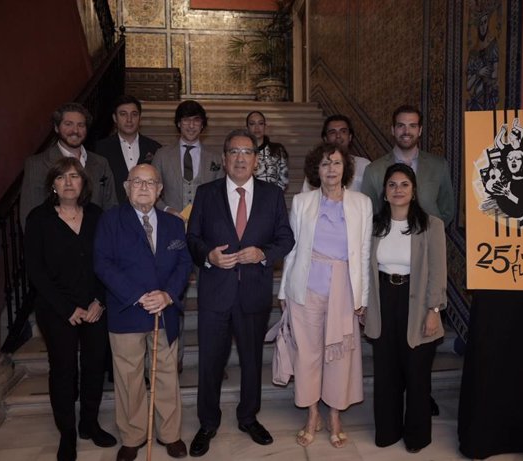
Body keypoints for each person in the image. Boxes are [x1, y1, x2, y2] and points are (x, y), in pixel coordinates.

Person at [186, 129, 294, 457]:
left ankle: (248, 417)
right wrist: (209, 256)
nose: (240, 158)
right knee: (210, 363)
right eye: (234, 152)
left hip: (253, 294)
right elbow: (192, 238)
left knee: (251, 361)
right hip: (215, 295)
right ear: (224, 158)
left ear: (256, 160)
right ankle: (207, 422)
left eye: (247, 152)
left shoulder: (272, 195)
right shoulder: (205, 193)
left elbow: (286, 239)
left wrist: (262, 253)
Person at [94, 164, 192, 461]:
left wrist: (167, 295)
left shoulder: (174, 224)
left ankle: (170, 434)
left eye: (151, 183)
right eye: (138, 182)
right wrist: (138, 296)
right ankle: (133, 435)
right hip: (127, 311)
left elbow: (184, 263)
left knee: (165, 375)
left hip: (164, 311)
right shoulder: (110, 220)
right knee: (129, 377)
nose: (145, 187)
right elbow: (102, 263)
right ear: (126, 187)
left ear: (160, 189)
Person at [278, 142, 372, 448]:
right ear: (315, 171)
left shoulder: (362, 203)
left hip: (344, 289)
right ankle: (312, 414)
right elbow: (292, 250)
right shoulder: (303, 201)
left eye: (335, 163)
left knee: (340, 355)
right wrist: (283, 290)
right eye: (324, 164)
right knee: (308, 354)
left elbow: (365, 252)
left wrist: (364, 298)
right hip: (306, 287)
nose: (331, 169)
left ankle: (334, 416)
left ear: (345, 167)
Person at [24, 157, 116, 461]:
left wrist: (98, 301)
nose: (68, 182)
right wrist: (67, 308)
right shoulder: (38, 219)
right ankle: (67, 433)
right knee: (63, 371)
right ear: (53, 183)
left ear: (83, 183)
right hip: (56, 310)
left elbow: (109, 263)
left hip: (94, 308)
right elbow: (35, 271)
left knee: (94, 367)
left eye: (74, 176)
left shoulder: (97, 216)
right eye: (62, 177)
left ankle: (89, 423)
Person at [364, 163, 447, 453]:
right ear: (384, 193)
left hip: (418, 302)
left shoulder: (431, 225)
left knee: (416, 374)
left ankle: (417, 437)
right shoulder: (373, 225)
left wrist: (434, 310)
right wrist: (362, 303)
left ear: (414, 191)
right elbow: (364, 268)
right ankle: (387, 432)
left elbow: (438, 271)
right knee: (386, 373)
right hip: (383, 300)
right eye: (392, 185)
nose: (397, 190)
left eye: (404, 185)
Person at [20, 102, 117, 227]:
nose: (75, 130)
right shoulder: (36, 165)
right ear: (56, 127)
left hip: (97, 241)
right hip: (55, 243)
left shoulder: (101, 163)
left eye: (81, 125)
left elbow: (111, 208)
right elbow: (29, 217)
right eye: (68, 124)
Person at [361, 105, 455, 225]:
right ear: (393, 130)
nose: (406, 131)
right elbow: (369, 213)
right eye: (401, 126)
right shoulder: (373, 170)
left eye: (412, 126)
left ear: (420, 130)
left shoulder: (439, 166)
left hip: (428, 239)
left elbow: (447, 210)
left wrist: (432, 233)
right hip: (389, 239)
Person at [151, 100, 224, 220]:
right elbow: (151, 190)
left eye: (196, 120)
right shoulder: (162, 155)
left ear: (202, 125)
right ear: (179, 123)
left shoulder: (216, 157)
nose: (191, 125)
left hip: (206, 224)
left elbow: (221, 194)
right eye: (186, 120)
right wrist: (166, 209)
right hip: (169, 222)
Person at [95, 95, 162, 202]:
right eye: (123, 114)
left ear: (140, 117)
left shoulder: (155, 148)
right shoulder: (100, 148)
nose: (129, 120)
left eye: (134, 114)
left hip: (147, 211)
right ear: (114, 118)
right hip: (113, 213)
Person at [302, 114, 371, 192]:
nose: (338, 136)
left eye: (343, 131)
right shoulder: (317, 166)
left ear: (350, 137)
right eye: (332, 132)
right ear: (325, 138)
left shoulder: (364, 165)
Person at [245, 110, 289, 190]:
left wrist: (272, 196)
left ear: (265, 126)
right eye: (252, 124)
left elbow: (284, 180)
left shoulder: (278, 150)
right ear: (247, 127)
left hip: (271, 198)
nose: (257, 127)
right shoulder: (242, 151)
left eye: (260, 123)